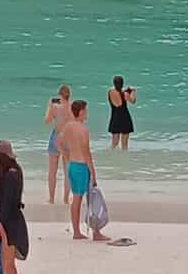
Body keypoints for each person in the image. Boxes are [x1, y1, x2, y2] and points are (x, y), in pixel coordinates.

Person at [57, 99, 97, 240]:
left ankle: (76, 231)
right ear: (80, 112)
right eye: (85, 111)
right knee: (87, 199)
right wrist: (93, 171)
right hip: (81, 166)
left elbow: (59, 142)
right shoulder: (83, 130)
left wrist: (67, 156)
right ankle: (86, 232)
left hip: (73, 164)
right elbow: (87, 153)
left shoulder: (68, 126)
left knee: (76, 199)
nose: (87, 113)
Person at [0, 141, 28, 262]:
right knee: (6, 260)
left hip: (9, 221)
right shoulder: (9, 171)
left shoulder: (11, 174)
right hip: (8, 218)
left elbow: (7, 203)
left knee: (7, 261)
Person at [42, 86, 71, 205]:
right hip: (68, 137)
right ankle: (65, 199)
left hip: (56, 136)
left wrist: (49, 107)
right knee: (67, 171)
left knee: (52, 171)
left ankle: (51, 198)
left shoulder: (55, 107)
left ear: (59, 95)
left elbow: (47, 121)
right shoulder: (72, 107)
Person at [106, 77, 136, 150]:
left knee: (114, 143)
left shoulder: (110, 92)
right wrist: (133, 92)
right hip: (125, 118)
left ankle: (112, 157)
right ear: (122, 84)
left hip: (115, 118)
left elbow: (118, 93)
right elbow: (133, 101)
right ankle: (124, 159)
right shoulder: (125, 94)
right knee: (124, 144)